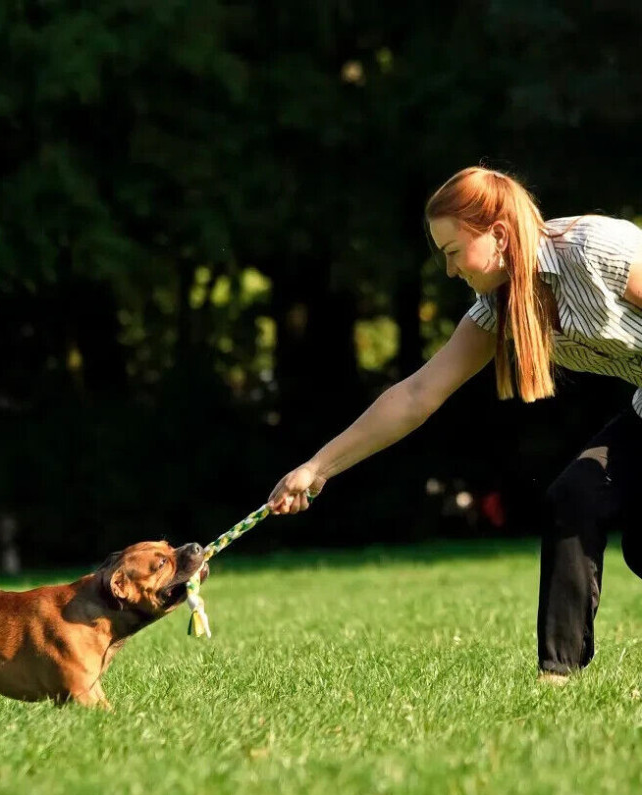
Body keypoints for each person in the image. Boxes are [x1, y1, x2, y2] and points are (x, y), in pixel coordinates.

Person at [267, 166, 642, 684]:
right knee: (574, 496)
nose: (448, 271)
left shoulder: (593, 249)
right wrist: (317, 467)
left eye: (451, 252)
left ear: (500, 235)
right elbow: (418, 394)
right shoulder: (498, 305)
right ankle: (557, 680)